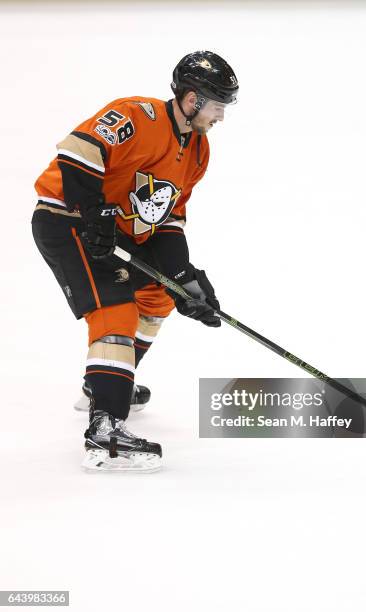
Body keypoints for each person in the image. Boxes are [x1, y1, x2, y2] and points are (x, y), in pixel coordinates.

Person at [32, 51, 239, 472]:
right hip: (65, 218)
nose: (220, 115)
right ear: (191, 98)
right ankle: (105, 431)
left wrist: (185, 279)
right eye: (217, 104)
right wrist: (94, 214)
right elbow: (78, 153)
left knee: (159, 297)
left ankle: (107, 384)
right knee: (115, 308)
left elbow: (167, 222)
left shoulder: (198, 151)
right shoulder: (135, 115)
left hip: (117, 233)